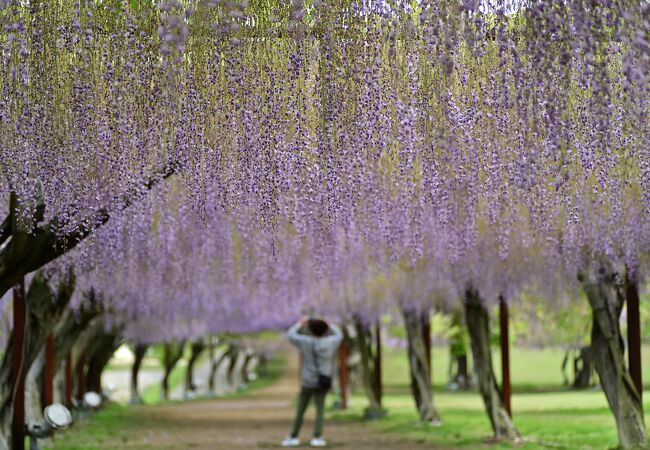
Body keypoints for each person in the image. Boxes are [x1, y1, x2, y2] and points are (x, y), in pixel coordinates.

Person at [282, 316, 343, 448]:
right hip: (323, 381)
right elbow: (340, 334)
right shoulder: (331, 342)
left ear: (310, 330)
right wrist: (329, 323)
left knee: (301, 410)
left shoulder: (305, 342)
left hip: (307, 381)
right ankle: (317, 437)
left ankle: (293, 436)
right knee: (320, 410)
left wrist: (300, 323)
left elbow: (290, 335)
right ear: (325, 330)